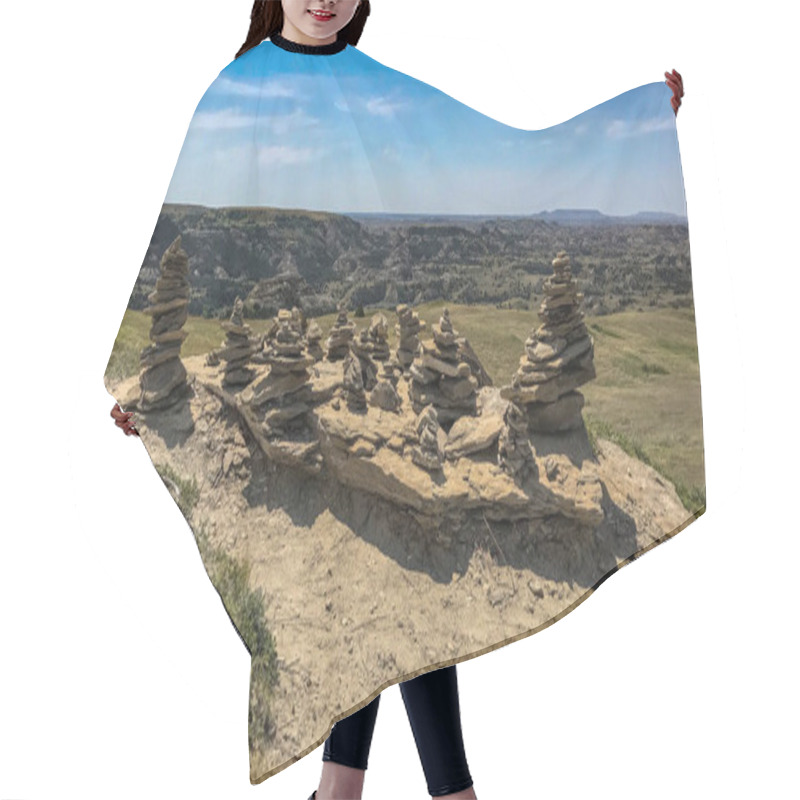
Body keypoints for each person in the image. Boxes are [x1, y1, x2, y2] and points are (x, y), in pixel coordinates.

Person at [109, 3, 685, 798]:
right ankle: (421, 792)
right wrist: (141, 386)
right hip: (295, 413)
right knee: (382, 597)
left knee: (404, 587)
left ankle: (354, 790)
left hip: (334, 405)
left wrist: (642, 118)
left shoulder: (376, 85)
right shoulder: (237, 87)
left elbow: (495, 146)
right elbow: (181, 248)